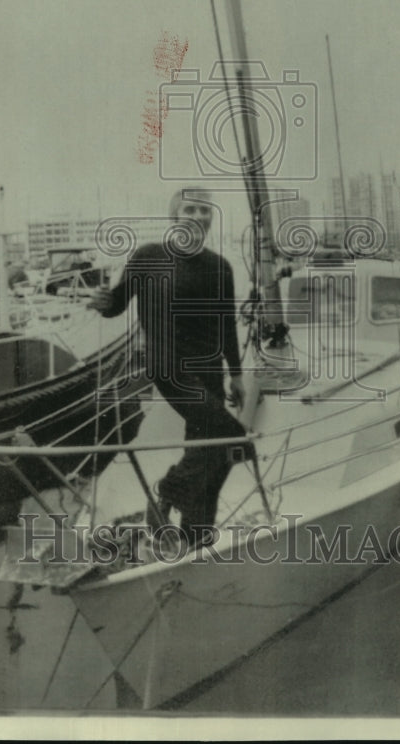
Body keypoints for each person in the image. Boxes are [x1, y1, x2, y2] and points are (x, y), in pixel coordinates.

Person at [88, 188, 249, 548]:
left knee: (207, 449)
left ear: (210, 217)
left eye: (204, 210)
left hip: (210, 371)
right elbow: (117, 302)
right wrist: (103, 302)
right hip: (170, 368)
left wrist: (236, 373)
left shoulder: (221, 267)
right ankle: (169, 490)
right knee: (234, 441)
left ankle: (196, 536)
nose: (197, 215)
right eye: (189, 208)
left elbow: (226, 325)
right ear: (174, 216)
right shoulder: (149, 257)